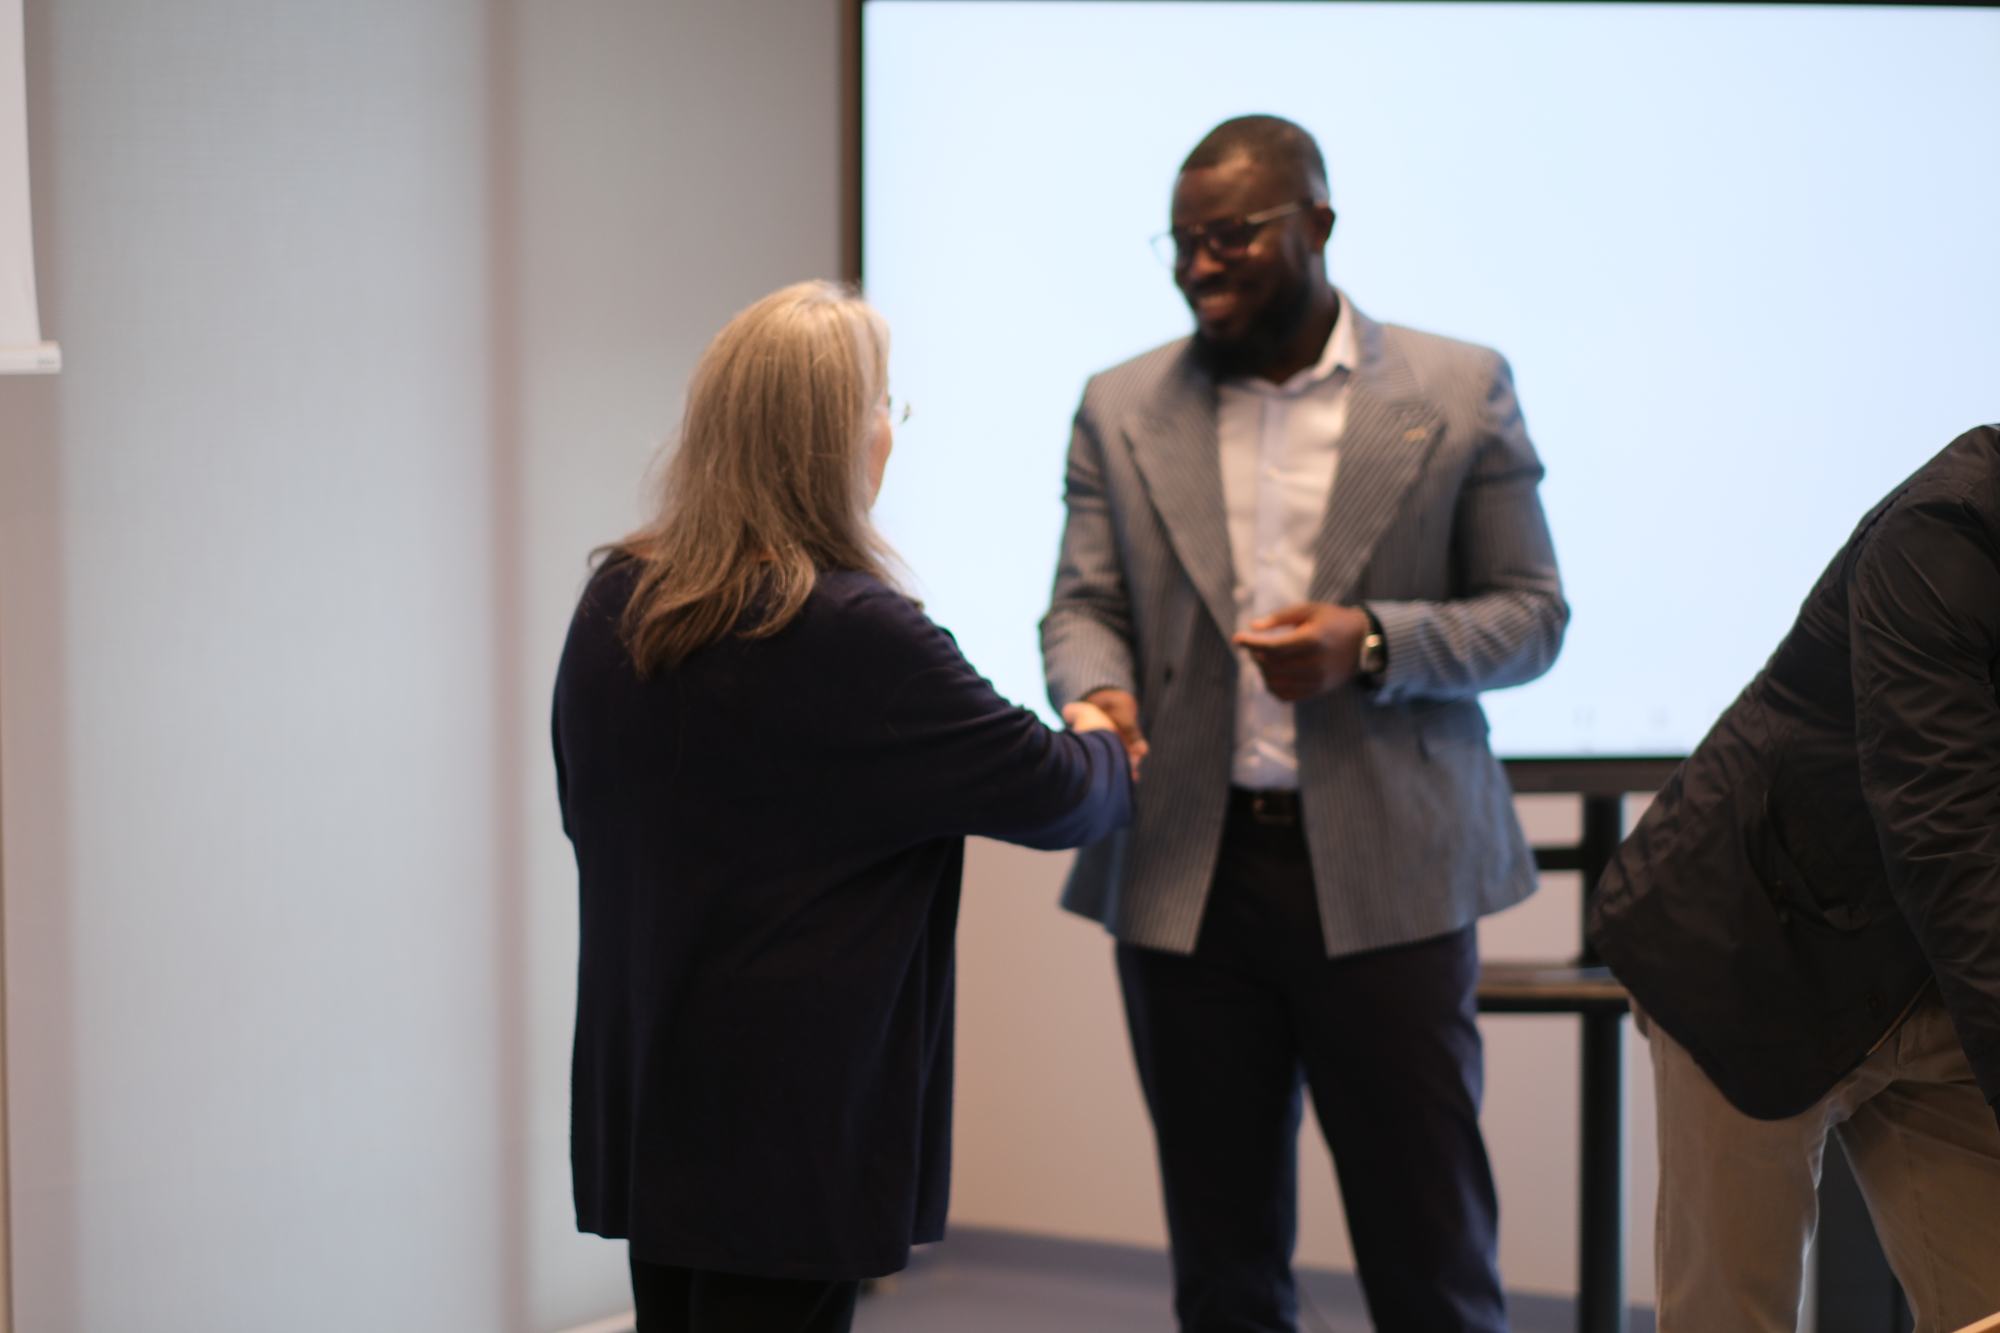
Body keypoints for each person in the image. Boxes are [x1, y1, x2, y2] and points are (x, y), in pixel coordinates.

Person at [1041, 115, 1566, 1332]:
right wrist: (1093, 691)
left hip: (1391, 877)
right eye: (1181, 242)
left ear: (1315, 224)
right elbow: (1083, 605)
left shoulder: (1456, 387)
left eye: (1229, 235)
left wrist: (1371, 642)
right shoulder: (1119, 404)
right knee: (1222, 1263)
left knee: (1428, 1253)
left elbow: (1530, 615)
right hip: (1188, 872)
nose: (1197, 265)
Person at [553, 280, 1133, 1333]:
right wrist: (1106, 733)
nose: (888, 432)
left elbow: (584, 810)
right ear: (835, 439)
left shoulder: (617, 600)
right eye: (883, 406)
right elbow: (1057, 795)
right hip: (794, 1126)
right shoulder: (858, 632)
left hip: (657, 1094)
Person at [1588, 424, 2000, 1332]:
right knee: (1730, 1316)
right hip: (1750, 953)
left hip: (1934, 982)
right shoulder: (1946, 529)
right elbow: (1947, 839)